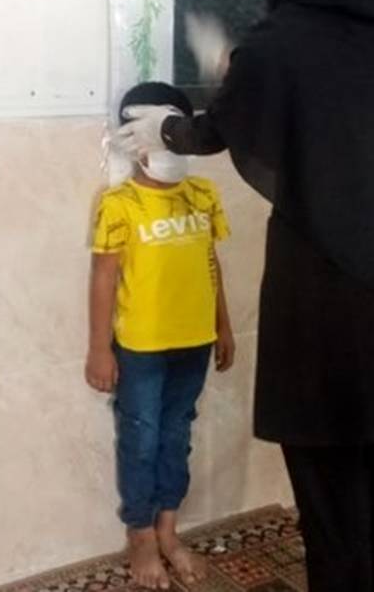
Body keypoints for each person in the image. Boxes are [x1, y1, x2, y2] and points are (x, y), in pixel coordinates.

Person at [114, 0, 374, 591]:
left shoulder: (283, 43)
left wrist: (171, 124)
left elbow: (231, 125)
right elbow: (326, 119)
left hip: (325, 306)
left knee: (330, 500)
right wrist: (240, 70)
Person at [86, 82, 237, 590]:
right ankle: (142, 534)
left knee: (177, 435)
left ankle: (170, 529)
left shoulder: (202, 195)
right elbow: (104, 278)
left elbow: (210, 261)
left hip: (194, 341)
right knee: (141, 438)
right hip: (142, 348)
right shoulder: (119, 203)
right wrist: (99, 348)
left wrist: (223, 324)